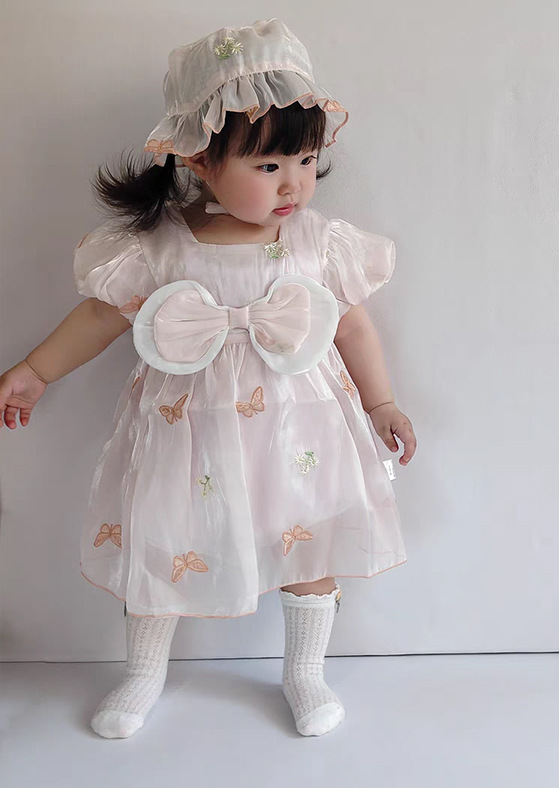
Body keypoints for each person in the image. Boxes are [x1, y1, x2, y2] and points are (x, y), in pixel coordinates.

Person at [0, 18, 416, 740]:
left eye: (306, 160)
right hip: (185, 432)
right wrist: (37, 369)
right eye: (268, 166)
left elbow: (350, 326)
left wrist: (381, 401)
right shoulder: (162, 245)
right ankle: (142, 671)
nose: (295, 183)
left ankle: (305, 670)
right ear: (198, 158)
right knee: (163, 540)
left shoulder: (318, 243)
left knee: (310, 543)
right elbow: (102, 316)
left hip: (300, 431)